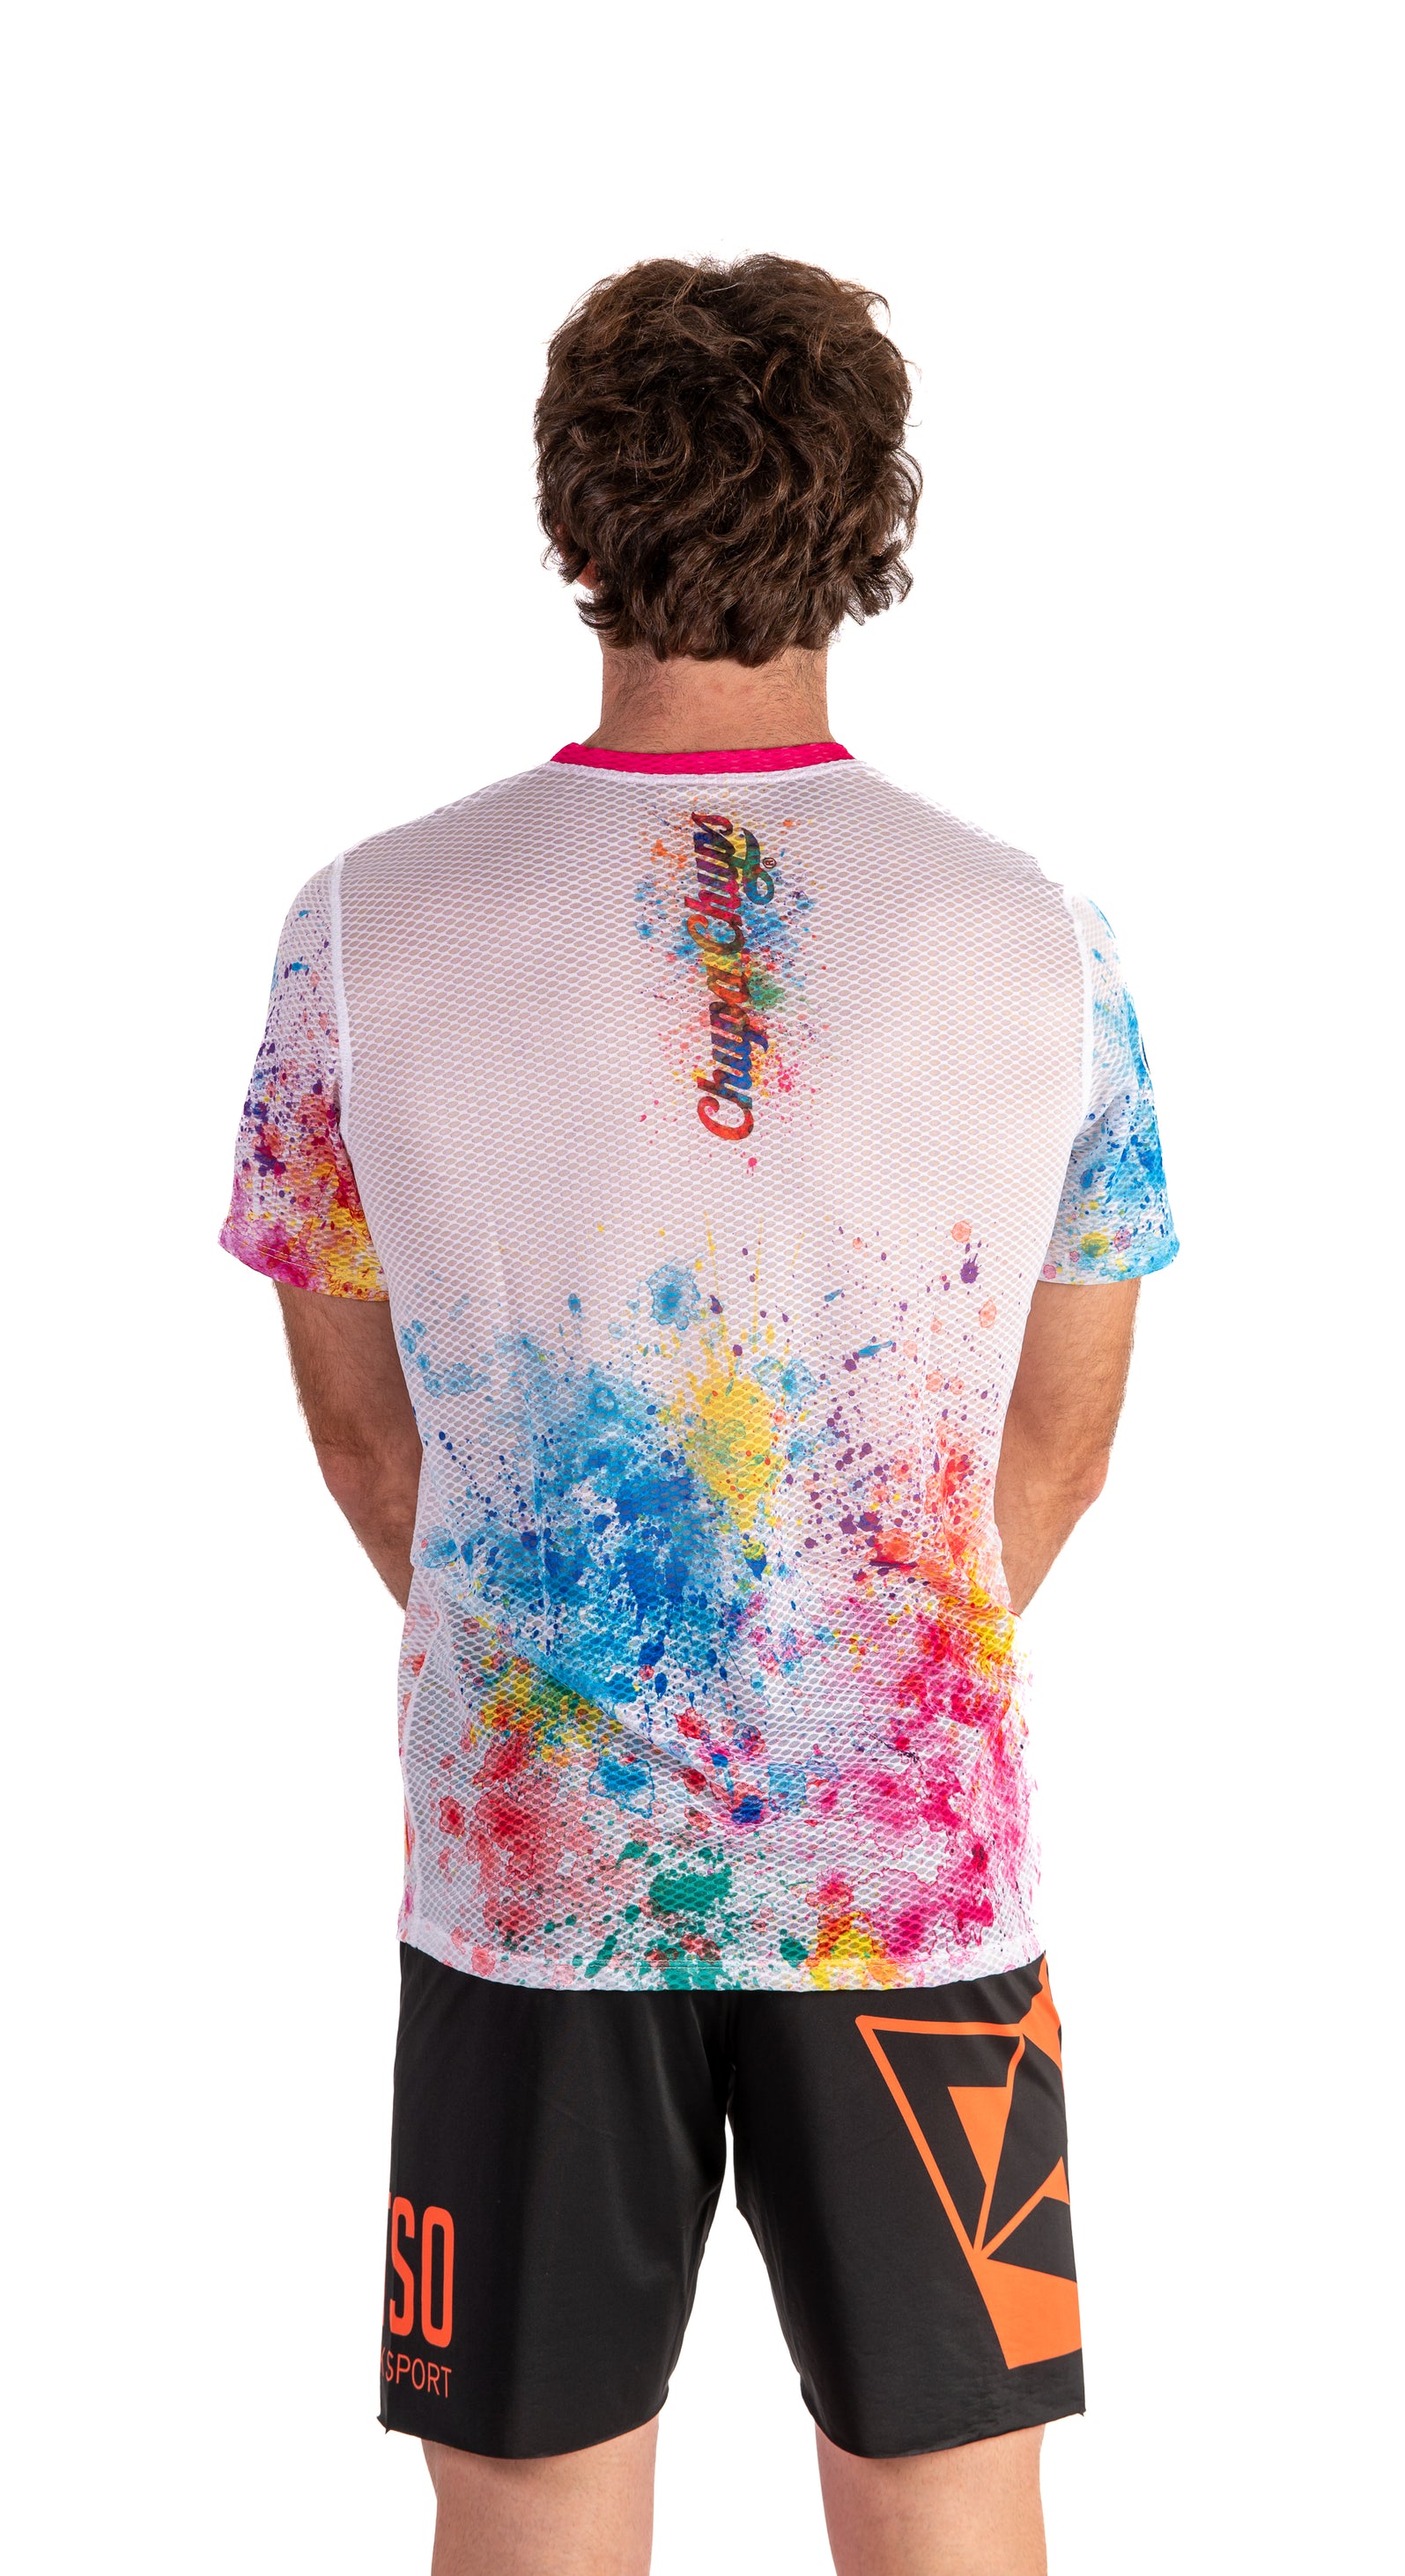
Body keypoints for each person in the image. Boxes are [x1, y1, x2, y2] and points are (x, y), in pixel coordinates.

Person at [220, 253, 1178, 2576]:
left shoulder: (364, 924)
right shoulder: (1040, 937)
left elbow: (365, 1438)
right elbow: (1055, 1447)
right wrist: (837, 1672)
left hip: (537, 1864)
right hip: (910, 1884)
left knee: (531, 2505)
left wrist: (585, 1671)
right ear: (872, 516)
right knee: (952, 2501)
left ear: (573, 512)